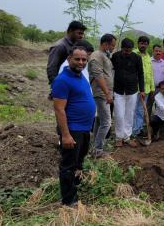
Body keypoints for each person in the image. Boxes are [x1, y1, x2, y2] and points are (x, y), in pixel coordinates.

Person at [52, 46, 95, 206]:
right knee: (68, 165)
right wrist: (65, 134)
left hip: (84, 129)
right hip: (72, 129)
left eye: (84, 59)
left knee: (78, 162)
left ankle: (75, 189)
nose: (81, 62)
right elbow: (59, 109)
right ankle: (69, 201)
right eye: (77, 59)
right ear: (69, 59)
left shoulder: (80, 76)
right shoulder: (62, 80)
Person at [111, 38, 144, 147]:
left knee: (129, 114)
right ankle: (119, 137)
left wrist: (142, 90)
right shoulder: (115, 56)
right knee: (119, 115)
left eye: (129, 50)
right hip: (118, 90)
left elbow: (140, 74)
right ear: (122, 48)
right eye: (125, 50)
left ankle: (127, 137)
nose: (127, 53)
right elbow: (111, 72)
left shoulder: (137, 58)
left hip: (132, 90)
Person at [88, 33, 116, 158]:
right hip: (101, 93)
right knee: (107, 122)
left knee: (99, 120)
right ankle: (98, 150)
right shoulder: (96, 56)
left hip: (104, 92)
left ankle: (95, 146)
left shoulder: (104, 55)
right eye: (113, 46)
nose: (113, 48)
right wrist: (107, 93)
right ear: (106, 44)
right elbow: (98, 76)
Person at [47, 21, 86, 85]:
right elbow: (52, 67)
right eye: (79, 33)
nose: (81, 36)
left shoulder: (75, 45)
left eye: (82, 34)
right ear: (70, 31)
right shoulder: (60, 46)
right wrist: (55, 84)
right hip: (62, 83)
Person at [133, 36, 155, 136]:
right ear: (138, 43)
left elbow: (150, 73)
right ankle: (132, 131)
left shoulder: (147, 56)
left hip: (145, 89)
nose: (143, 45)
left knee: (141, 110)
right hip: (134, 88)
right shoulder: (133, 53)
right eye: (141, 43)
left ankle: (138, 129)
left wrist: (152, 88)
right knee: (133, 110)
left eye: (145, 43)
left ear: (147, 45)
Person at [148, 44, 164, 115]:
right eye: (156, 51)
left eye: (159, 51)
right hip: (150, 88)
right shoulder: (149, 61)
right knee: (149, 105)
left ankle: (159, 121)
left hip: (161, 89)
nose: (158, 52)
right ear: (153, 51)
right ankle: (147, 122)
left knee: (160, 106)